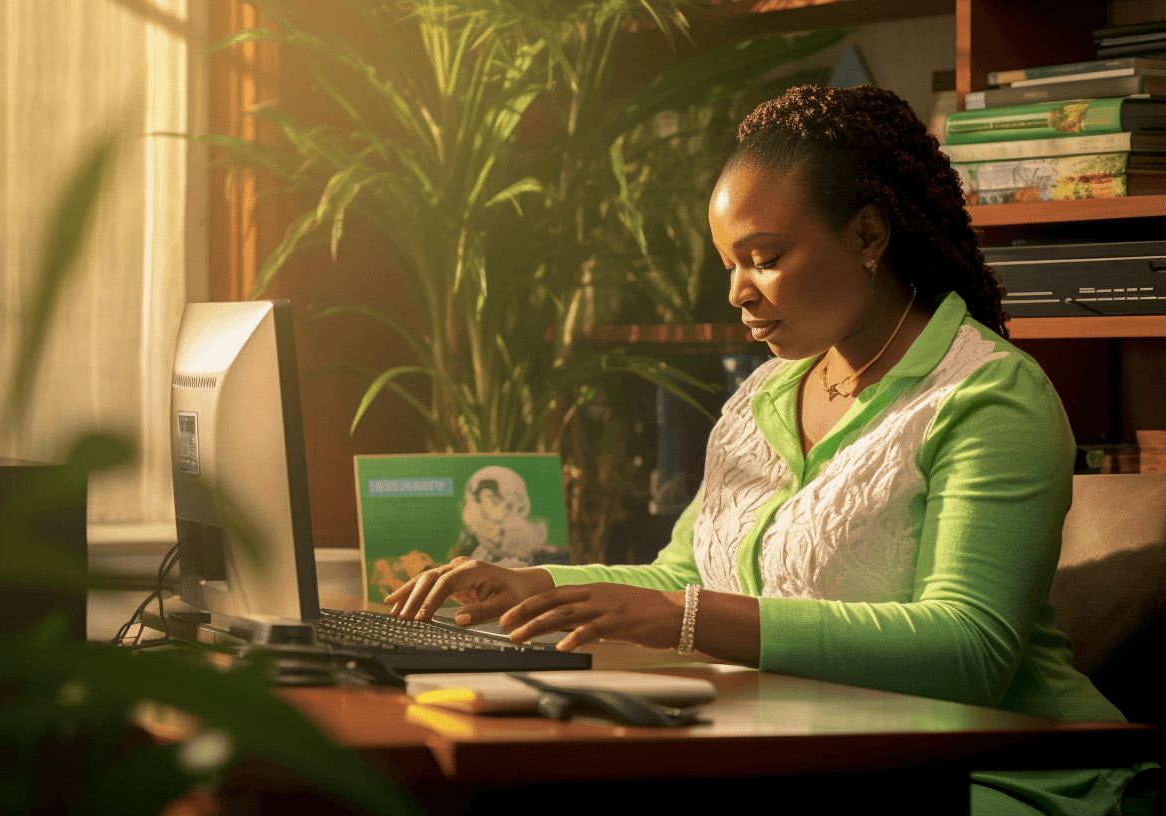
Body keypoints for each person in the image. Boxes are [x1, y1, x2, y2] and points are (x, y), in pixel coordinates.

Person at [384, 85, 1158, 815]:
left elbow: (969, 650)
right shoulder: (763, 396)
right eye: (730, 264)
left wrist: (681, 618)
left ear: (867, 235)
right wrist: (528, 586)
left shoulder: (988, 397)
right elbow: (682, 577)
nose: (737, 292)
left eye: (764, 257)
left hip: (1006, 774)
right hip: (808, 754)